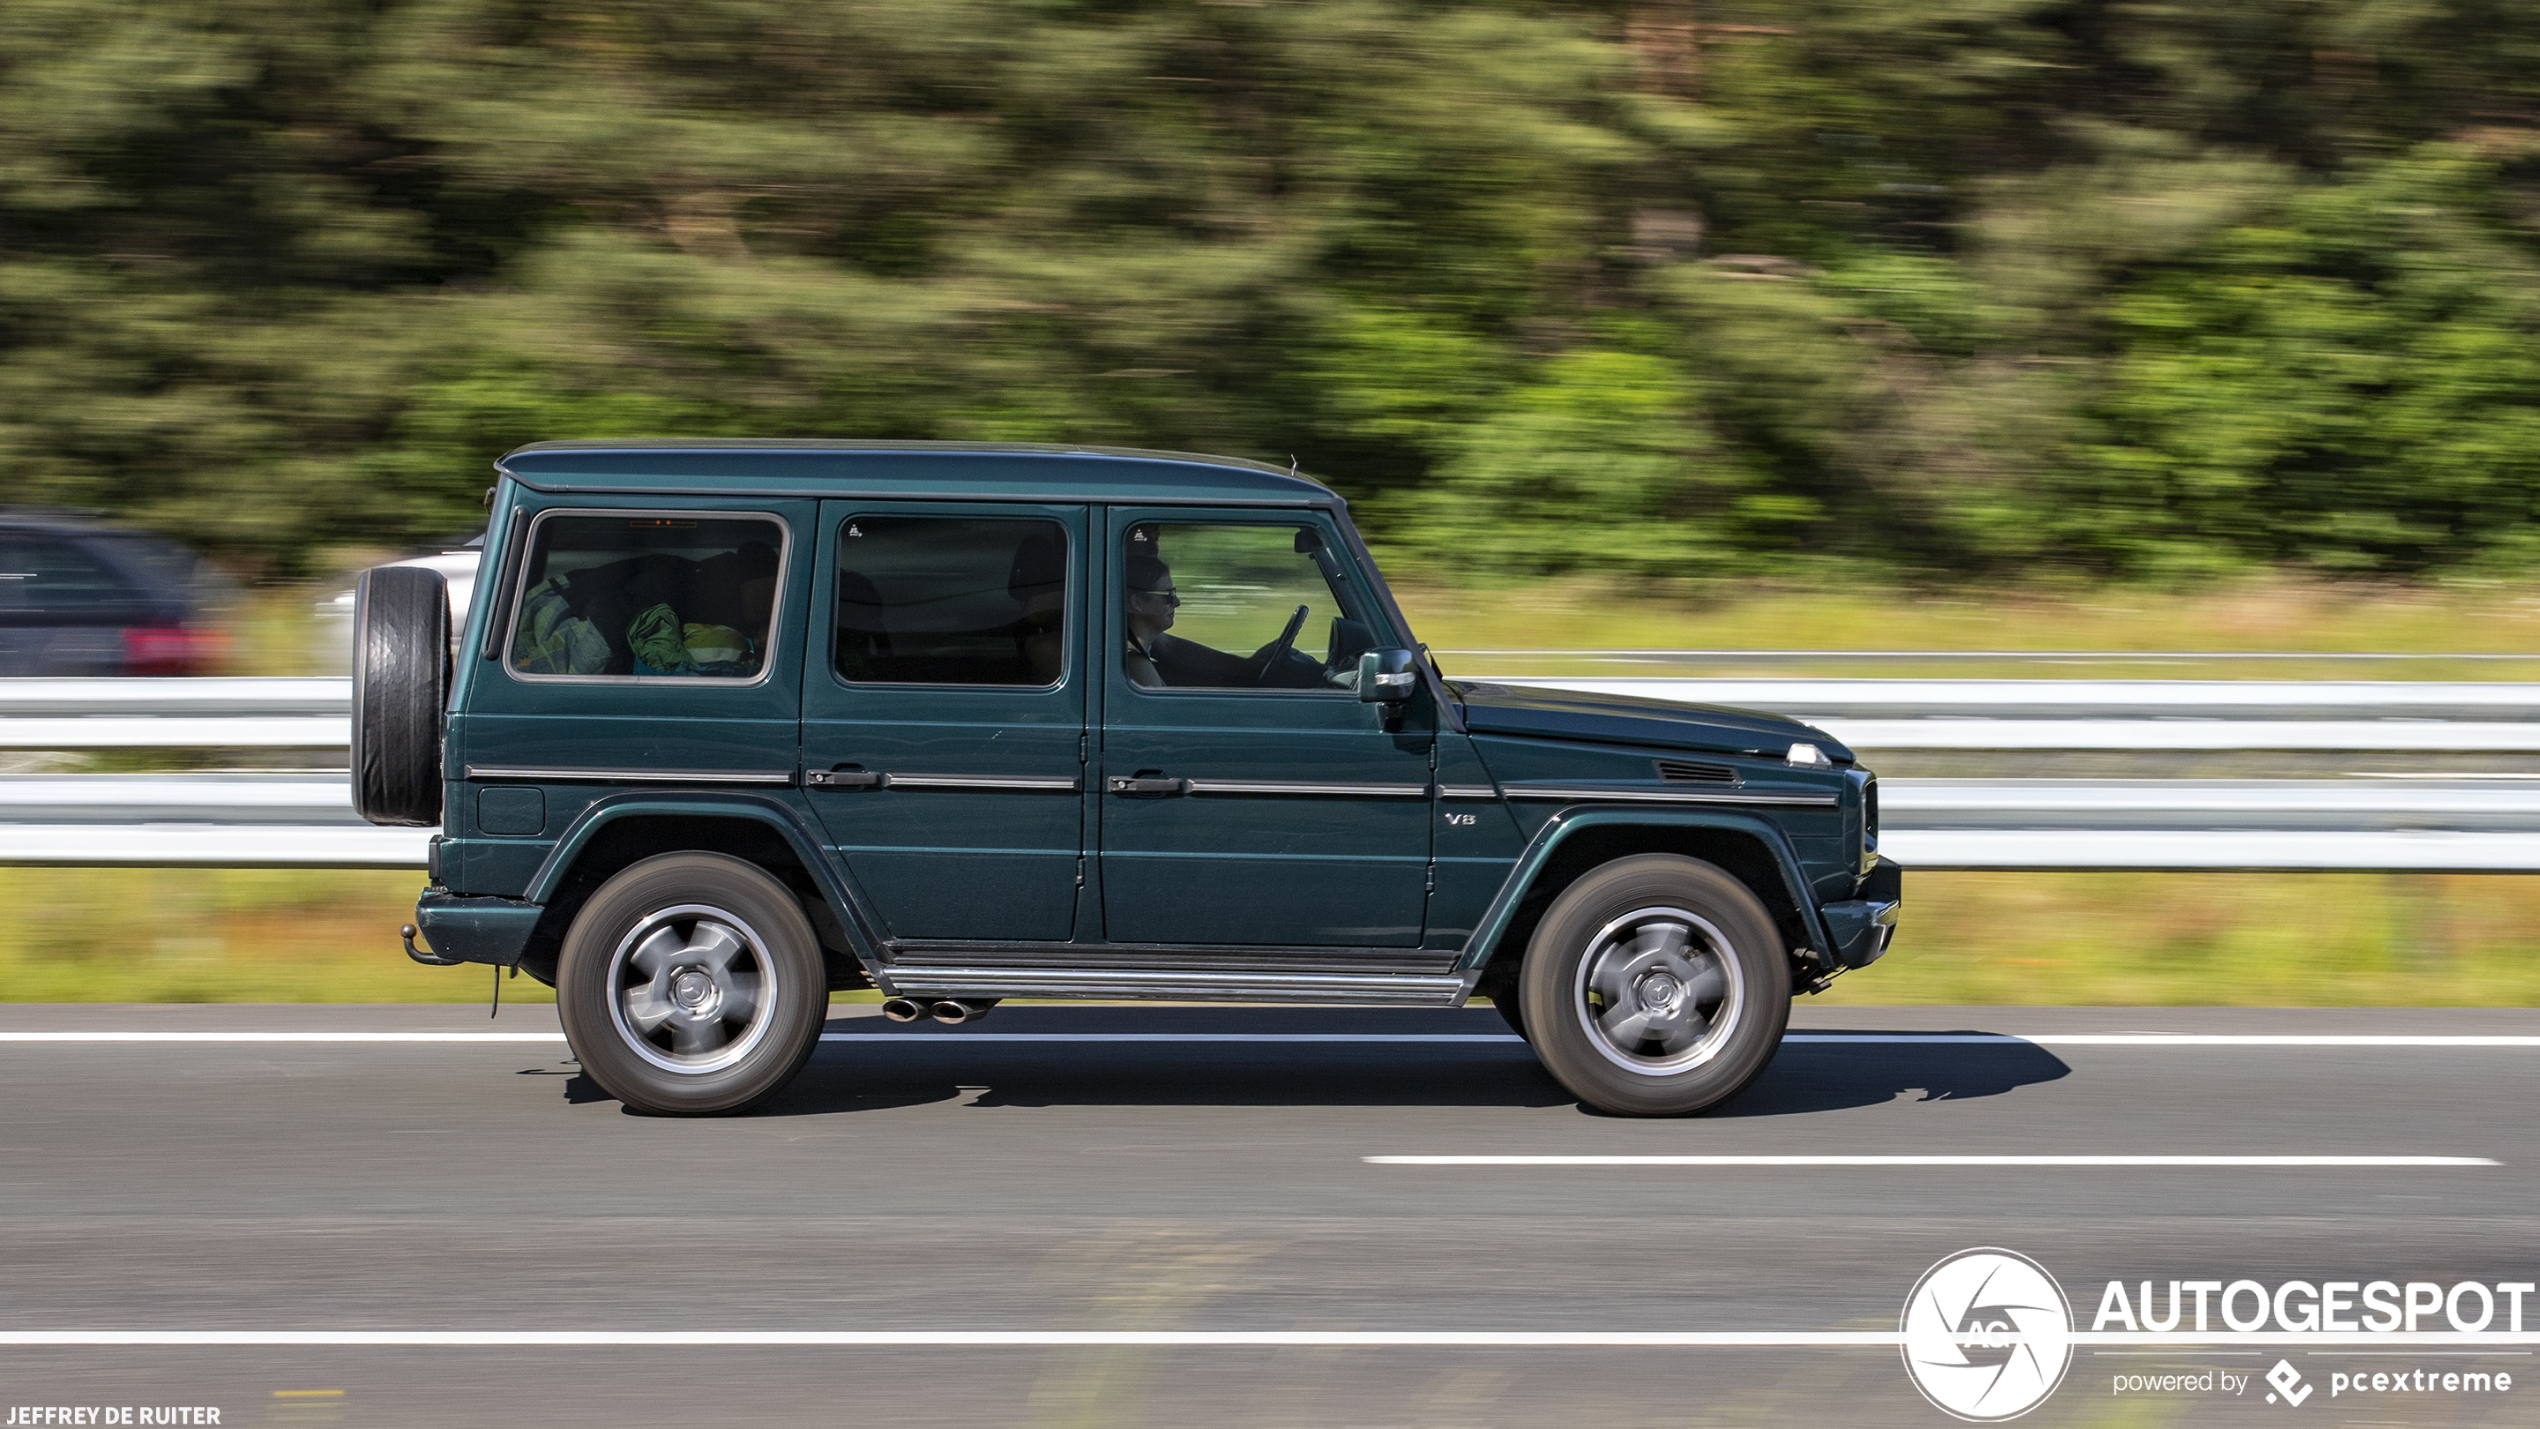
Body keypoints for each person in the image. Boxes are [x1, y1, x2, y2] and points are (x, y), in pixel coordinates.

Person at [1122, 550, 1250, 688]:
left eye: (1174, 593)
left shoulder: (1138, 654)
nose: (1177, 602)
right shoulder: (1138, 668)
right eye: (1168, 595)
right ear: (1138, 603)